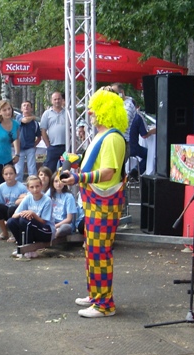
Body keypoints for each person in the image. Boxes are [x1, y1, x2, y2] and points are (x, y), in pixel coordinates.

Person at [62, 88, 128, 318]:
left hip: (104, 204)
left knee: (99, 252)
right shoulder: (103, 136)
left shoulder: (112, 138)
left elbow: (109, 172)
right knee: (91, 250)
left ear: (105, 111)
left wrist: (79, 177)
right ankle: (96, 295)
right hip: (95, 203)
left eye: (95, 109)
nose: (90, 112)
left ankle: (104, 305)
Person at [6, 175, 53, 258]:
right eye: (32, 187)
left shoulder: (47, 200)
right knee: (11, 221)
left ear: (41, 186)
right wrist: (23, 213)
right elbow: (14, 215)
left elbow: (44, 221)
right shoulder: (28, 198)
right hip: (33, 226)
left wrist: (33, 214)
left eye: (37, 186)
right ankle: (21, 246)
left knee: (25, 221)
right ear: (28, 189)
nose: (35, 189)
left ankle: (29, 249)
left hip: (46, 231)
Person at [0, 164, 27, 242]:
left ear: (15, 174)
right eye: (6, 174)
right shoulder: (1, 187)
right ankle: (4, 232)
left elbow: (25, 204)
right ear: (3, 176)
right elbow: (1, 203)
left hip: (17, 212)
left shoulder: (22, 187)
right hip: (7, 210)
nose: (8, 176)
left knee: (12, 209)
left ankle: (14, 234)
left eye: (11, 174)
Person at [40, 91, 67, 173]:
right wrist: (48, 145)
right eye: (55, 99)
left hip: (66, 147)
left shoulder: (67, 113)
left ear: (62, 100)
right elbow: (43, 131)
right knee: (49, 170)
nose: (57, 101)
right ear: (52, 101)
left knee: (65, 170)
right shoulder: (47, 114)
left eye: (59, 99)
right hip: (53, 146)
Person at [17, 101, 41, 182]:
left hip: (30, 148)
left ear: (31, 108)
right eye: (24, 105)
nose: (26, 107)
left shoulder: (35, 123)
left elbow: (39, 137)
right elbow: (25, 121)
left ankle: (33, 184)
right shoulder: (18, 118)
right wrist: (33, 117)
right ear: (21, 109)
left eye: (28, 105)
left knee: (32, 169)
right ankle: (18, 186)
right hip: (19, 148)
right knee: (18, 170)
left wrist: (34, 145)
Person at [50, 173, 77, 238]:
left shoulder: (69, 196)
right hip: (52, 222)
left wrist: (55, 226)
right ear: (52, 183)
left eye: (61, 181)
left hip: (63, 223)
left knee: (66, 227)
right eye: (56, 181)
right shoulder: (50, 193)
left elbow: (69, 219)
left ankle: (54, 236)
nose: (58, 184)